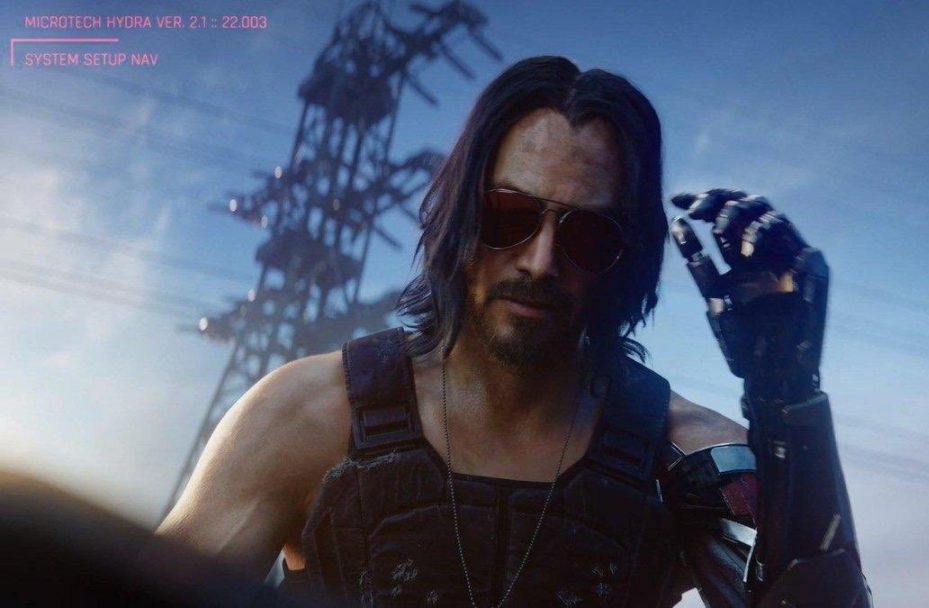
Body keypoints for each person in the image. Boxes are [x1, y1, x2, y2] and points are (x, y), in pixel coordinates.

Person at [158, 56, 871, 607]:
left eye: (588, 235)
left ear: (627, 256)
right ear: (459, 213)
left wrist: (787, 400)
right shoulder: (305, 416)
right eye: (509, 215)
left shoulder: (685, 454)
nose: (540, 261)